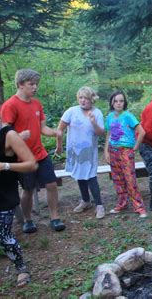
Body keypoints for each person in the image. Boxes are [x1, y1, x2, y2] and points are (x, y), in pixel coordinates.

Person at [1, 69, 66, 233]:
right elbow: (4, 134)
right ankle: (28, 220)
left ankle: (55, 217)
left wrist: (54, 133)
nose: (35, 87)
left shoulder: (36, 104)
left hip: (40, 153)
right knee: (28, 189)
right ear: (20, 85)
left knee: (51, 184)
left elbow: (42, 127)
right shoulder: (10, 105)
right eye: (31, 84)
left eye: (36, 84)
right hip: (23, 158)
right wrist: (18, 136)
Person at [0, 104, 37, 287]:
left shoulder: (8, 135)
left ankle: (21, 268)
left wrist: (6, 166)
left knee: (4, 236)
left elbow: (31, 164)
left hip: (4, 196)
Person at [56, 87, 106, 219]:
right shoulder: (71, 111)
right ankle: (85, 201)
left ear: (92, 99)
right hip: (75, 152)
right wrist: (59, 146)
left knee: (91, 176)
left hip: (89, 152)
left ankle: (99, 205)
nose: (83, 101)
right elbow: (60, 130)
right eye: (81, 98)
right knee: (80, 174)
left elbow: (101, 133)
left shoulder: (97, 113)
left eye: (86, 98)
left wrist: (94, 122)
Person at [104, 91, 147, 218]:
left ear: (124, 102)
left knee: (130, 179)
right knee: (117, 179)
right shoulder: (110, 117)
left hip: (126, 151)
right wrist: (106, 151)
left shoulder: (128, 116)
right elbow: (109, 134)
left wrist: (135, 147)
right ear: (112, 102)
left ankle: (139, 207)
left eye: (121, 101)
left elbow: (142, 132)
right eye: (116, 101)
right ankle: (122, 203)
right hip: (113, 150)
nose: (118, 103)